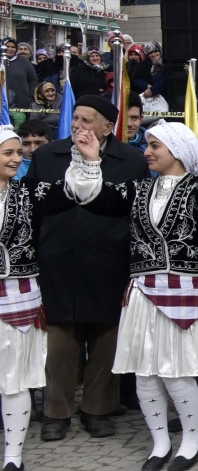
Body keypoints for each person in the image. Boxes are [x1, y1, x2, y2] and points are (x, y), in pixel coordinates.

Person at [66, 121, 198, 471]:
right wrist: (90, 159)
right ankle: (160, 441)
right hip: (142, 291)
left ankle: (192, 439)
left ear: (177, 151)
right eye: (147, 145)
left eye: (155, 146)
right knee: (145, 374)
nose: (147, 152)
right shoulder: (138, 189)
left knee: (177, 371)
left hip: (185, 290)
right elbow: (92, 198)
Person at [29, 96, 148, 441]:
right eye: (76, 118)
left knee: (104, 341)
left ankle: (97, 409)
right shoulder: (46, 156)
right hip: (58, 259)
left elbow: (135, 215)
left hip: (108, 260)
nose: (78, 125)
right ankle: (57, 411)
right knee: (61, 344)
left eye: (87, 120)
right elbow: (35, 212)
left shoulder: (131, 161)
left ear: (107, 128)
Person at [0, 126, 59, 471]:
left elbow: (72, 192)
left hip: (17, 296)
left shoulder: (27, 192)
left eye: (18, 153)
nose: (16, 159)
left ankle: (13, 456)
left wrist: (87, 161)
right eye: (8, 153)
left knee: (14, 379)